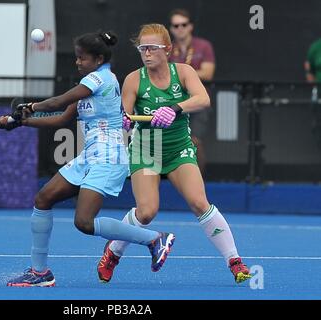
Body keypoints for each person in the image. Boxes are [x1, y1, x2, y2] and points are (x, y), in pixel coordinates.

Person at [0, 31, 175, 287]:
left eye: (82, 58)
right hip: (90, 154)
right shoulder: (89, 83)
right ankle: (40, 273)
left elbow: (58, 102)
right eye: (77, 57)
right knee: (44, 198)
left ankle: (153, 238)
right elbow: (61, 118)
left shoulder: (100, 78)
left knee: (84, 222)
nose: (78, 62)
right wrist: (22, 122)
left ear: (99, 58)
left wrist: (30, 107)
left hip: (108, 156)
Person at [97, 24, 252, 285]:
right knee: (146, 212)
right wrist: (122, 121)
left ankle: (235, 261)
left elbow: (203, 99)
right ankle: (112, 253)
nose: (146, 53)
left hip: (179, 148)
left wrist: (175, 108)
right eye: (142, 48)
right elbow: (123, 114)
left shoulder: (184, 72)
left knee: (200, 203)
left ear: (167, 50)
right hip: (147, 149)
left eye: (152, 48)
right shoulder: (135, 79)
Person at [167, 8, 216, 176]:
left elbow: (208, 73)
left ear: (190, 27)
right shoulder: (168, 48)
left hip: (197, 102)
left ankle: (199, 180)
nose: (180, 28)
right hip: (173, 102)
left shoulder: (203, 46)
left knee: (194, 141)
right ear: (171, 28)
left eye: (183, 24)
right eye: (175, 25)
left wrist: (181, 75)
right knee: (167, 141)